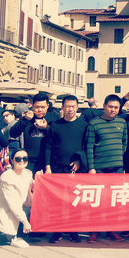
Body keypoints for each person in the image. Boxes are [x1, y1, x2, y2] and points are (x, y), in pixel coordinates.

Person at [44, 95, 88, 243]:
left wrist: (80, 160)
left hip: (75, 169)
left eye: (73, 106)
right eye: (67, 106)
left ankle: (73, 230)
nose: (70, 109)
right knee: (57, 201)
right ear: (62, 107)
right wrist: (48, 166)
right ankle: (57, 230)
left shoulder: (84, 125)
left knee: (74, 201)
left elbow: (86, 147)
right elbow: (48, 147)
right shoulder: (55, 126)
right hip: (57, 168)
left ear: (77, 108)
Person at [85, 94, 128, 243]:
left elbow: (124, 142)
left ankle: (112, 230)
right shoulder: (94, 123)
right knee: (97, 201)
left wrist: (118, 158)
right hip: (99, 168)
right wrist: (91, 168)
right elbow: (89, 146)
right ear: (104, 106)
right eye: (110, 106)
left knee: (113, 201)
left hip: (117, 168)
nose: (113, 110)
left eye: (116, 107)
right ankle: (94, 231)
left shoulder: (122, 122)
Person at [0, 149, 33, 248]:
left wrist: (40, 178)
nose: (22, 161)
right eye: (18, 159)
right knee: (17, 237)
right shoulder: (7, 177)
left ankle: (20, 230)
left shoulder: (27, 173)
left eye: (25, 158)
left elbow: (32, 187)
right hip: (8, 209)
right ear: (12, 161)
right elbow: (13, 203)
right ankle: (13, 236)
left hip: (23, 207)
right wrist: (24, 221)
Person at [9, 93, 54, 173]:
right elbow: (13, 133)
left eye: (42, 107)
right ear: (32, 106)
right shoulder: (28, 117)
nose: (39, 110)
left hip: (49, 162)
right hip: (29, 161)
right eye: (37, 107)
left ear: (47, 106)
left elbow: (60, 136)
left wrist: (47, 128)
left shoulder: (53, 117)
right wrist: (25, 120)